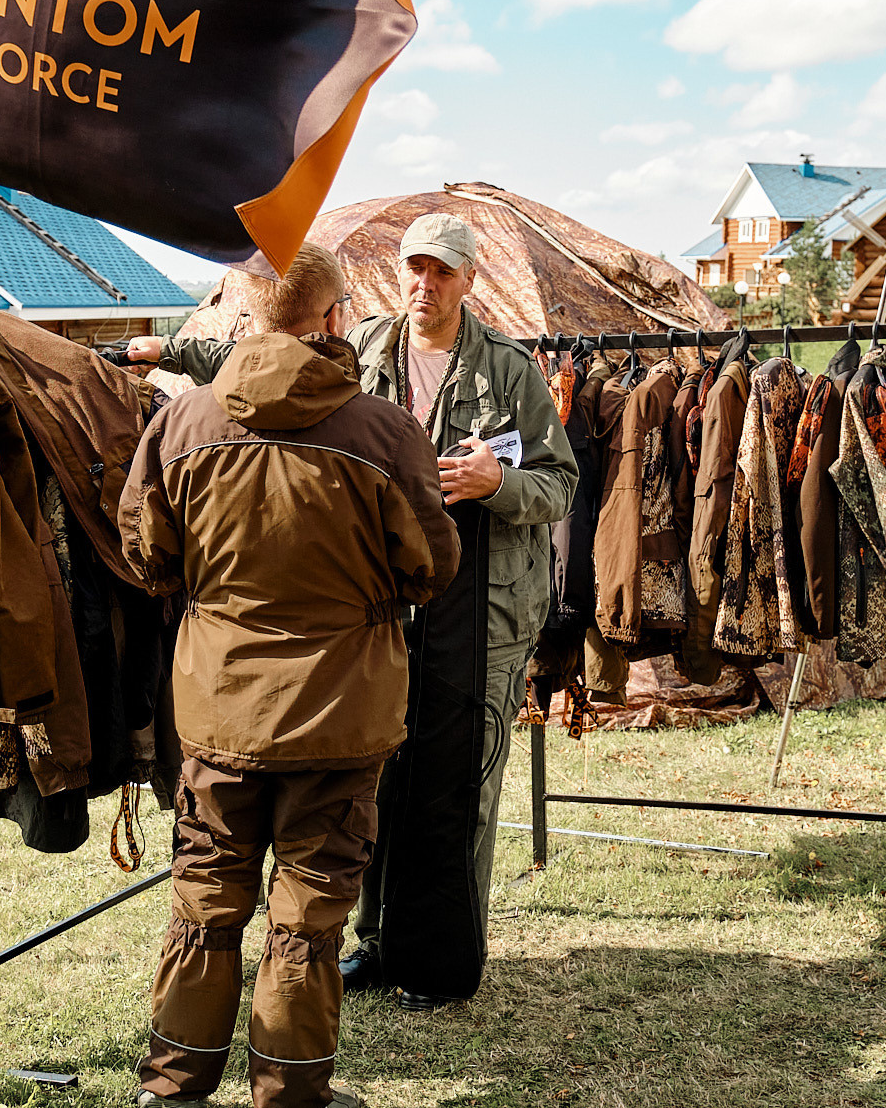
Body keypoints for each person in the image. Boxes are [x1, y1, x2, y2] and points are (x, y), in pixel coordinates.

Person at [127, 212, 576, 1009]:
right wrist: (164, 351)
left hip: (483, 612)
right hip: (383, 609)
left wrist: (498, 484)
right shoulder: (362, 349)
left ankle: (441, 957)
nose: (424, 285)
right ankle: (375, 942)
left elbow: (561, 484)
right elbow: (257, 357)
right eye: (415, 268)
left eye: (442, 271)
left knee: (458, 784)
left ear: (470, 280)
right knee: (376, 780)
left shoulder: (509, 373)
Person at [120, 244, 459, 1108]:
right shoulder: (385, 433)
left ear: (247, 319)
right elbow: (432, 565)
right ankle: (289, 1102)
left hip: (219, 702)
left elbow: (144, 553)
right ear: (335, 317)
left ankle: (177, 1090)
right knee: (309, 906)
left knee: (206, 890)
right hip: (341, 712)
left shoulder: (181, 422)